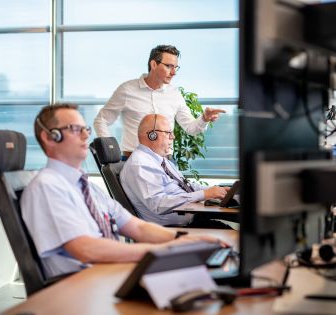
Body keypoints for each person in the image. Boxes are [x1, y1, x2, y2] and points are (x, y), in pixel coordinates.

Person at [20, 103, 224, 278]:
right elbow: (86, 249)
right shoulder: (47, 186)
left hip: (111, 272)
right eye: (74, 129)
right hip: (85, 283)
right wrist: (164, 250)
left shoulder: (88, 188)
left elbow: (138, 228)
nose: (85, 135)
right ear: (49, 138)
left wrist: (183, 240)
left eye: (85, 129)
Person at [93, 44, 226, 159]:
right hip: (132, 161)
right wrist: (110, 151)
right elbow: (101, 120)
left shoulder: (174, 94)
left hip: (166, 162)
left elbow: (190, 128)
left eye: (176, 67)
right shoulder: (127, 90)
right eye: (169, 66)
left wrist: (204, 118)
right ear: (154, 64)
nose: (173, 72)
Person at [120, 114, 229, 227]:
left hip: (194, 216)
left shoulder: (160, 159)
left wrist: (215, 191)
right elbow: (158, 204)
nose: (173, 137)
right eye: (168, 133)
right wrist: (204, 194)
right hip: (175, 229)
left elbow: (186, 186)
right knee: (237, 237)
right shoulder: (140, 164)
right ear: (152, 135)